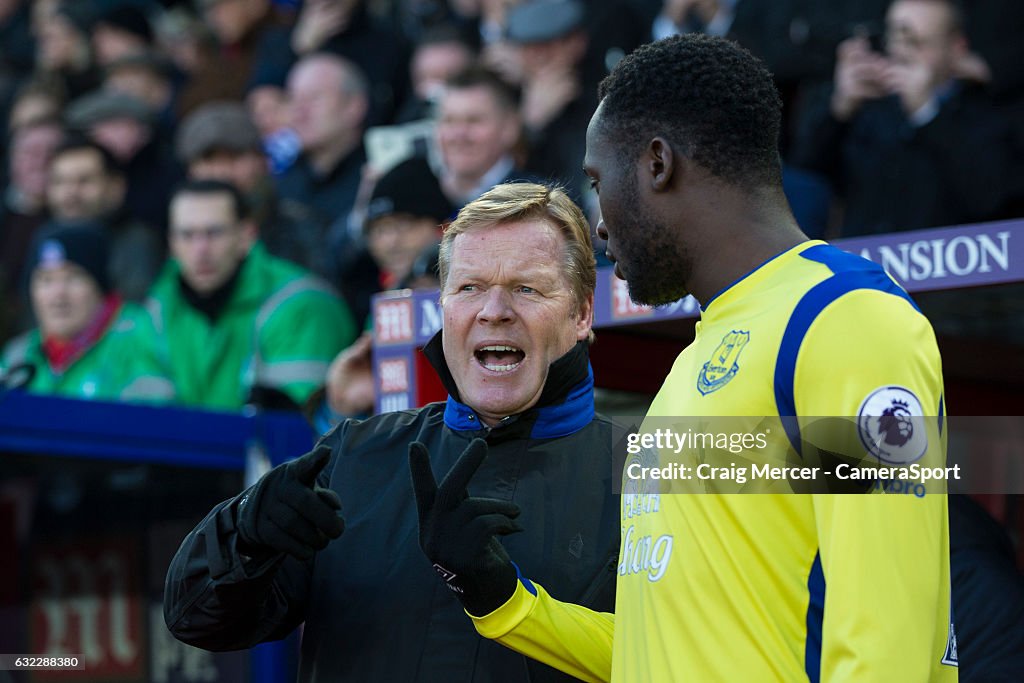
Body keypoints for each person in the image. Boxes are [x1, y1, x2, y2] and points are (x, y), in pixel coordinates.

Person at [415, 35, 956, 681]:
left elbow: (887, 641)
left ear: (656, 164)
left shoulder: (843, 321)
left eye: (596, 181)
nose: (598, 225)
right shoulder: (697, 357)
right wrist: (504, 601)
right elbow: (670, 648)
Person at [164, 182, 620, 681]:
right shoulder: (355, 454)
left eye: (526, 288)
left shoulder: (651, 470)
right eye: (469, 287)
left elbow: (697, 660)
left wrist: (507, 598)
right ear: (443, 307)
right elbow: (197, 620)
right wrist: (245, 533)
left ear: (580, 313)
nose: (494, 310)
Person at [792, 0, 1018, 235]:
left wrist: (926, 114)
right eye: (895, 38)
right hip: (868, 263)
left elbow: (993, 199)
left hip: (948, 264)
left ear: (956, 48)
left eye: (916, 42)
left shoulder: (986, 115)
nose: (901, 53)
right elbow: (805, 172)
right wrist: (840, 108)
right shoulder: (869, 107)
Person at [143, 179, 356, 412]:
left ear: (246, 235)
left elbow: (294, 428)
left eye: (214, 233)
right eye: (187, 235)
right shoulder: (157, 307)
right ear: (171, 242)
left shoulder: (303, 304)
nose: (200, 250)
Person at [0, 224, 173, 402]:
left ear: (100, 287)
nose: (58, 294)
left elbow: (152, 418)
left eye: (73, 277)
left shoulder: (142, 339)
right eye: (46, 280)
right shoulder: (18, 355)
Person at [46, 137, 164, 302]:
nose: (70, 193)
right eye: (60, 182)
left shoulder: (138, 242)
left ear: (116, 187)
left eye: (84, 181)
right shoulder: (44, 238)